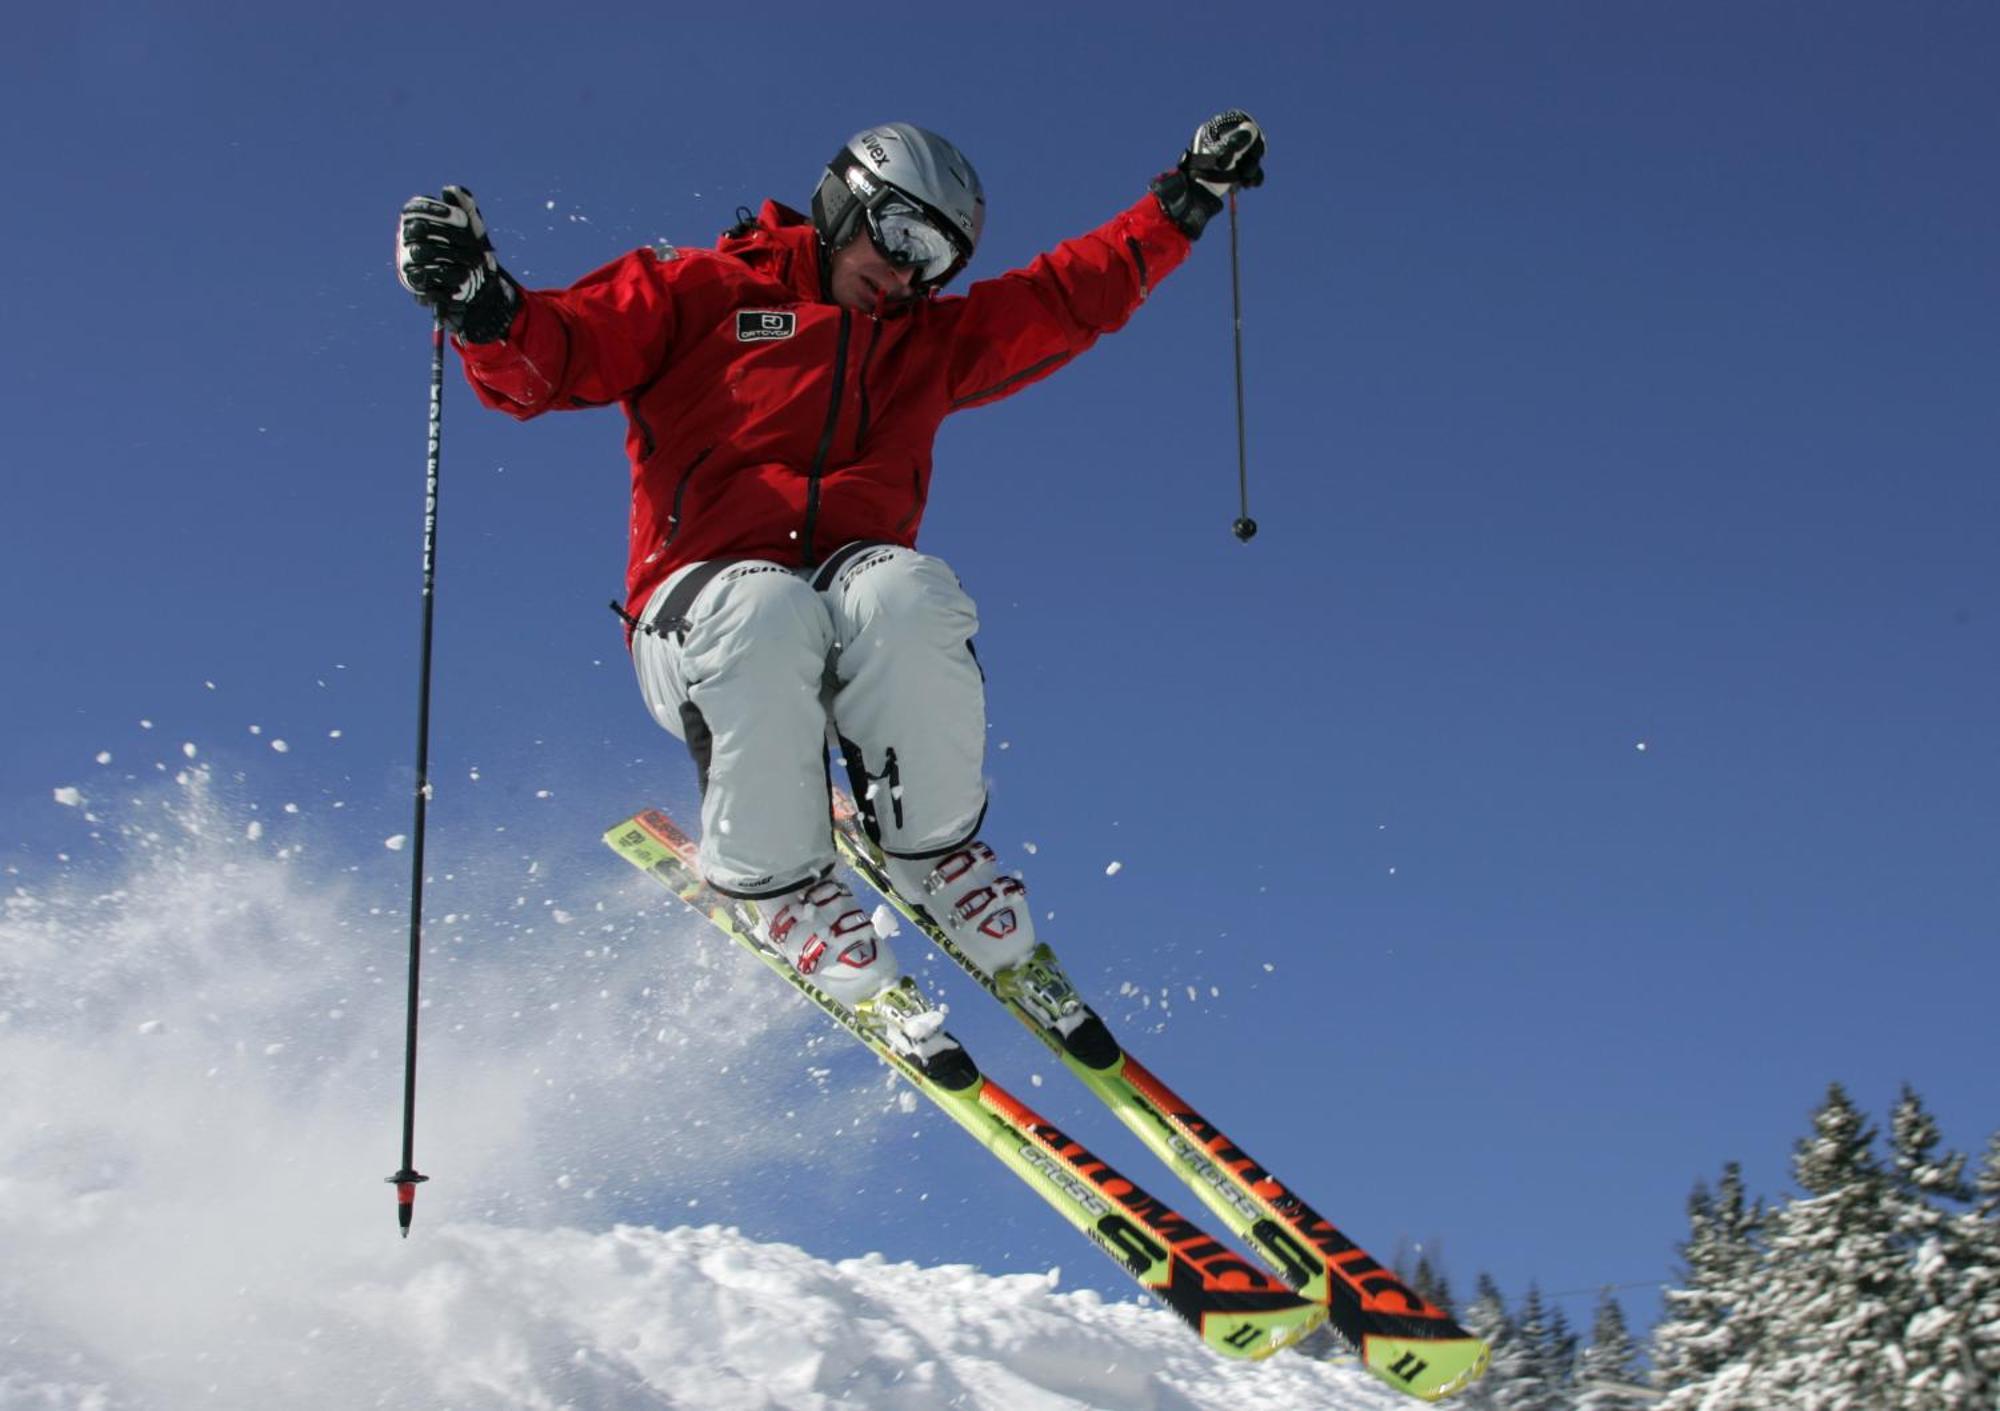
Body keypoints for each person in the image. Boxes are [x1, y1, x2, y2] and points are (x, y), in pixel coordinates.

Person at [395, 113, 1266, 1085]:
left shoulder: (920, 346)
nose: (906, 273)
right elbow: (558, 350)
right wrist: (484, 307)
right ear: (844, 201)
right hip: (705, 619)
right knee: (767, 608)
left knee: (907, 589)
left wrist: (1182, 201)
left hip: (844, 610)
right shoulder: (698, 290)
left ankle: (928, 849)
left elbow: (1067, 296)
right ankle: (773, 880)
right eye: (899, 235)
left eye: (934, 259)